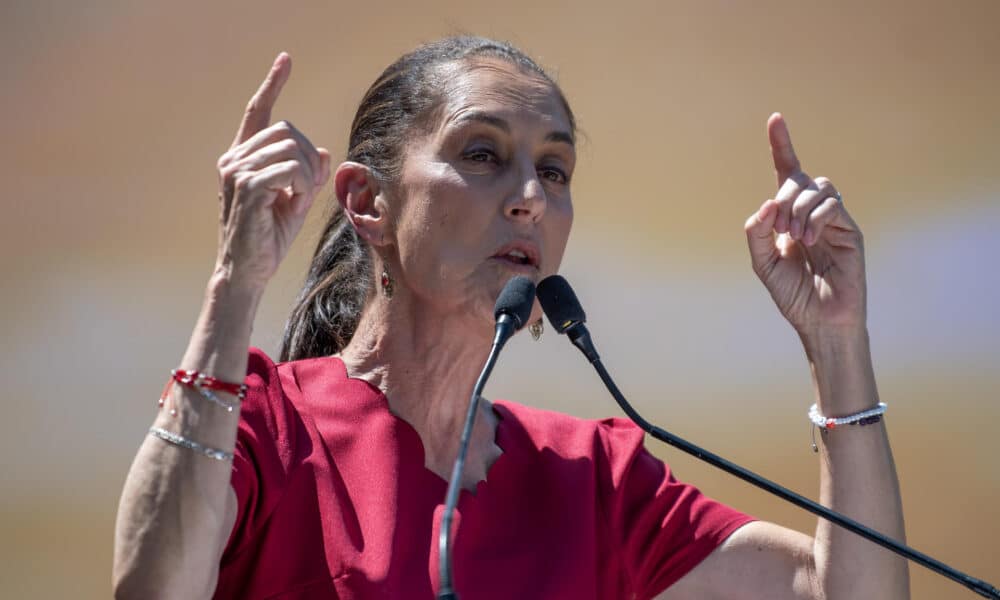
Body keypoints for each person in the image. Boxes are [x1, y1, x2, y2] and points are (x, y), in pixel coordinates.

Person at [113, 37, 909, 599]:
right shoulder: (258, 425)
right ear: (366, 201)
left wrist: (838, 344)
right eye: (483, 154)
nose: (530, 195)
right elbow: (151, 589)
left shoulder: (594, 479)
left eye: (554, 169)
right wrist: (234, 279)